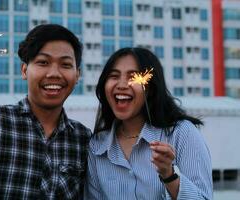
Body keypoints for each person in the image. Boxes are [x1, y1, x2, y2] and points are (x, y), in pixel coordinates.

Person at [0, 24, 91, 199]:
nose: (54, 73)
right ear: (25, 70)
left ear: (77, 75)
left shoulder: (83, 140)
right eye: (43, 62)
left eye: (65, 64)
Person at [84, 47, 213, 199]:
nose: (122, 84)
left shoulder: (182, 134)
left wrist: (169, 175)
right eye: (114, 76)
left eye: (133, 77)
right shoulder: (96, 146)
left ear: (151, 88)